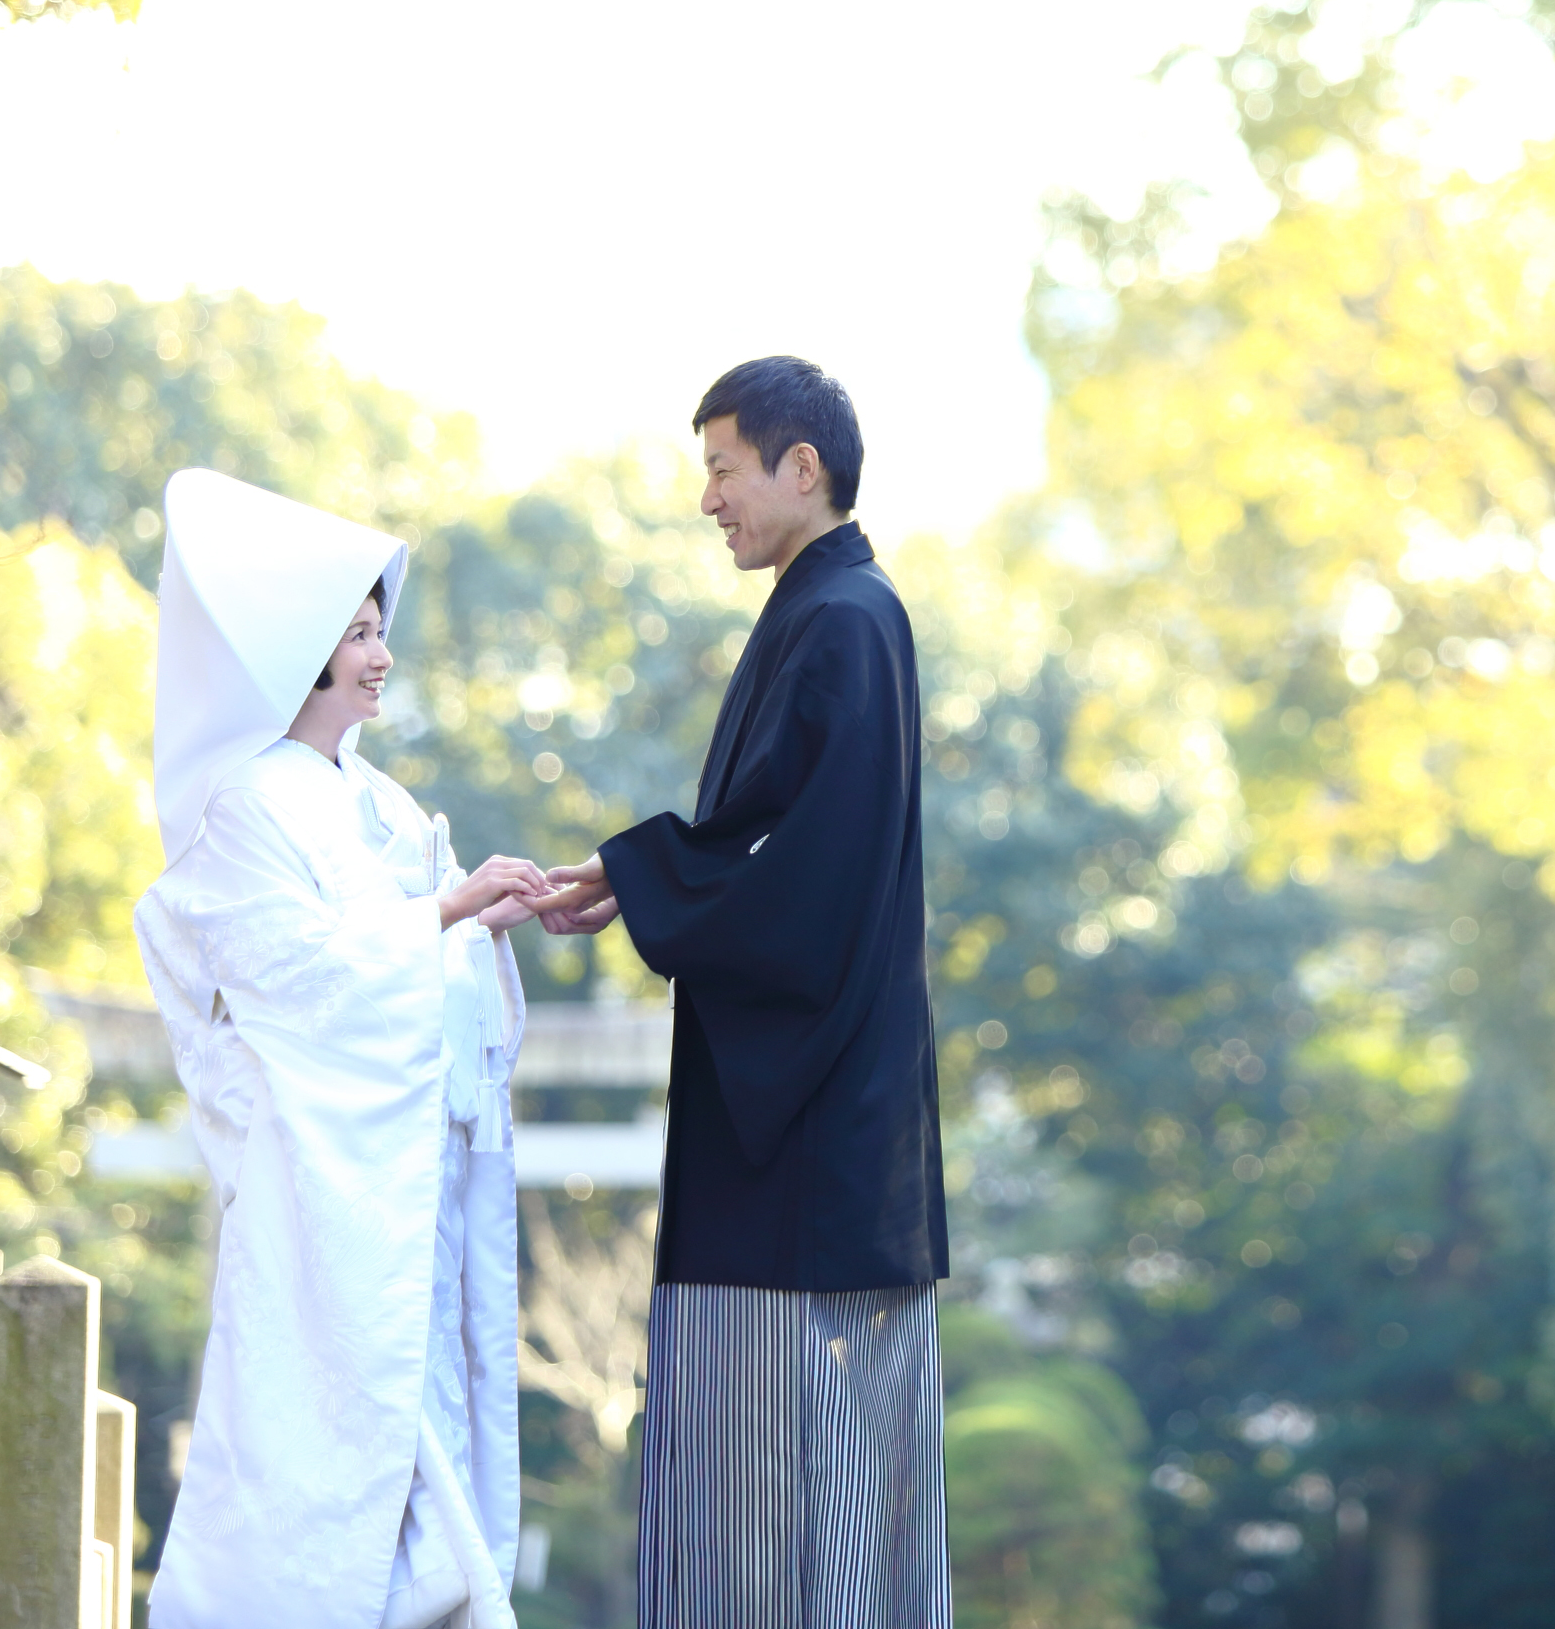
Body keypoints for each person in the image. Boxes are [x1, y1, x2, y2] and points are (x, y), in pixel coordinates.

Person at [532, 357, 951, 1628]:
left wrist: (644, 879)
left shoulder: (843, 621)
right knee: (822, 1509)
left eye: (722, 468)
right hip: (827, 1138)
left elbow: (805, 876)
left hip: (807, 1163)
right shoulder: (832, 614)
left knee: (783, 1508)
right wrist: (634, 878)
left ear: (800, 467)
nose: (707, 499)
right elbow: (772, 840)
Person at [137, 468, 543, 1629]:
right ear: (303, 651)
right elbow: (292, 984)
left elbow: (421, 967)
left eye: (379, 629)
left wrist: (487, 922)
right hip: (324, 1192)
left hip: (411, 1180)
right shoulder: (248, 806)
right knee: (315, 1445)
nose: (379, 654)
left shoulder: (387, 804)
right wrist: (446, 918)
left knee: (427, 1429)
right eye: (357, 634)